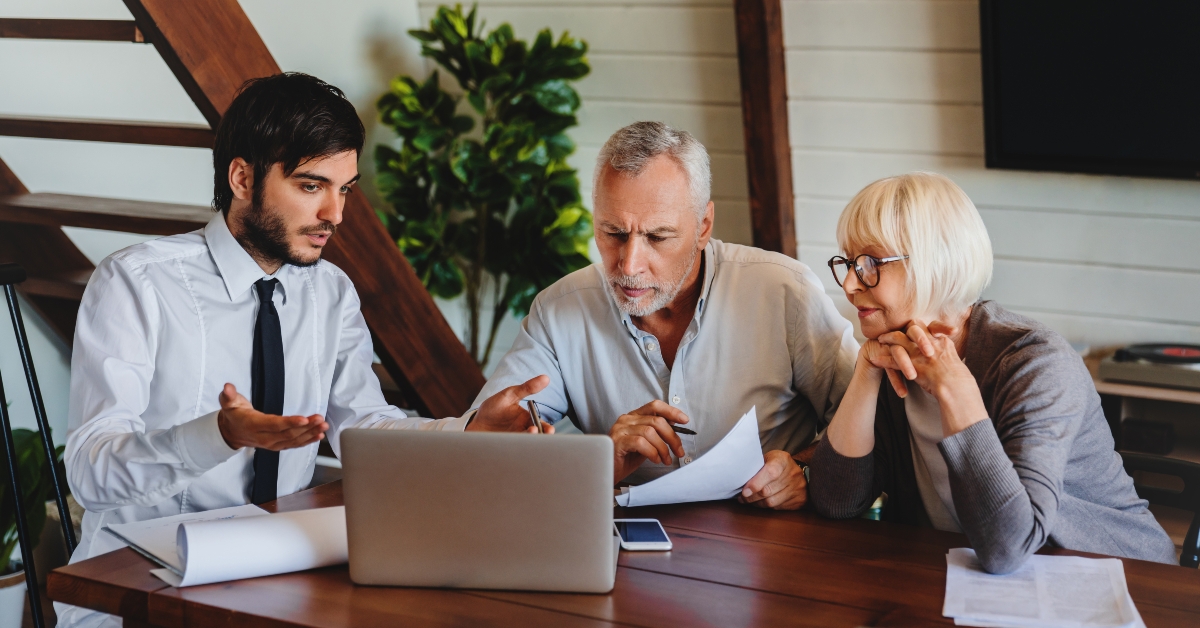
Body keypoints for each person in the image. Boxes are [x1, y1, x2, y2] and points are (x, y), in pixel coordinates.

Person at [59, 73, 547, 628]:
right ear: (242, 178)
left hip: (277, 577)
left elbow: (362, 427)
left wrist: (468, 434)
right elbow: (89, 474)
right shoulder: (136, 282)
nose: (335, 215)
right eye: (312, 186)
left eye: (345, 189)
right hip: (136, 586)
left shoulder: (331, 291)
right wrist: (217, 436)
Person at [472, 121, 858, 509]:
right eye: (613, 232)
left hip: (776, 550)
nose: (629, 264)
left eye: (657, 237)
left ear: (703, 226)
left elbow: (875, 427)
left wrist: (804, 468)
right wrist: (600, 460)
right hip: (625, 556)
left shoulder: (784, 292)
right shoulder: (558, 312)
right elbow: (485, 443)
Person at [808, 172, 1175, 573]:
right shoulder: (890, 355)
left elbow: (1008, 546)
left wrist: (956, 391)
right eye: (847, 262)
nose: (848, 284)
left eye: (868, 264)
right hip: (969, 581)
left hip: (1119, 578)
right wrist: (865, 370)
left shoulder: (1036, 363)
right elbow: (836, 501)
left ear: (936, 259)